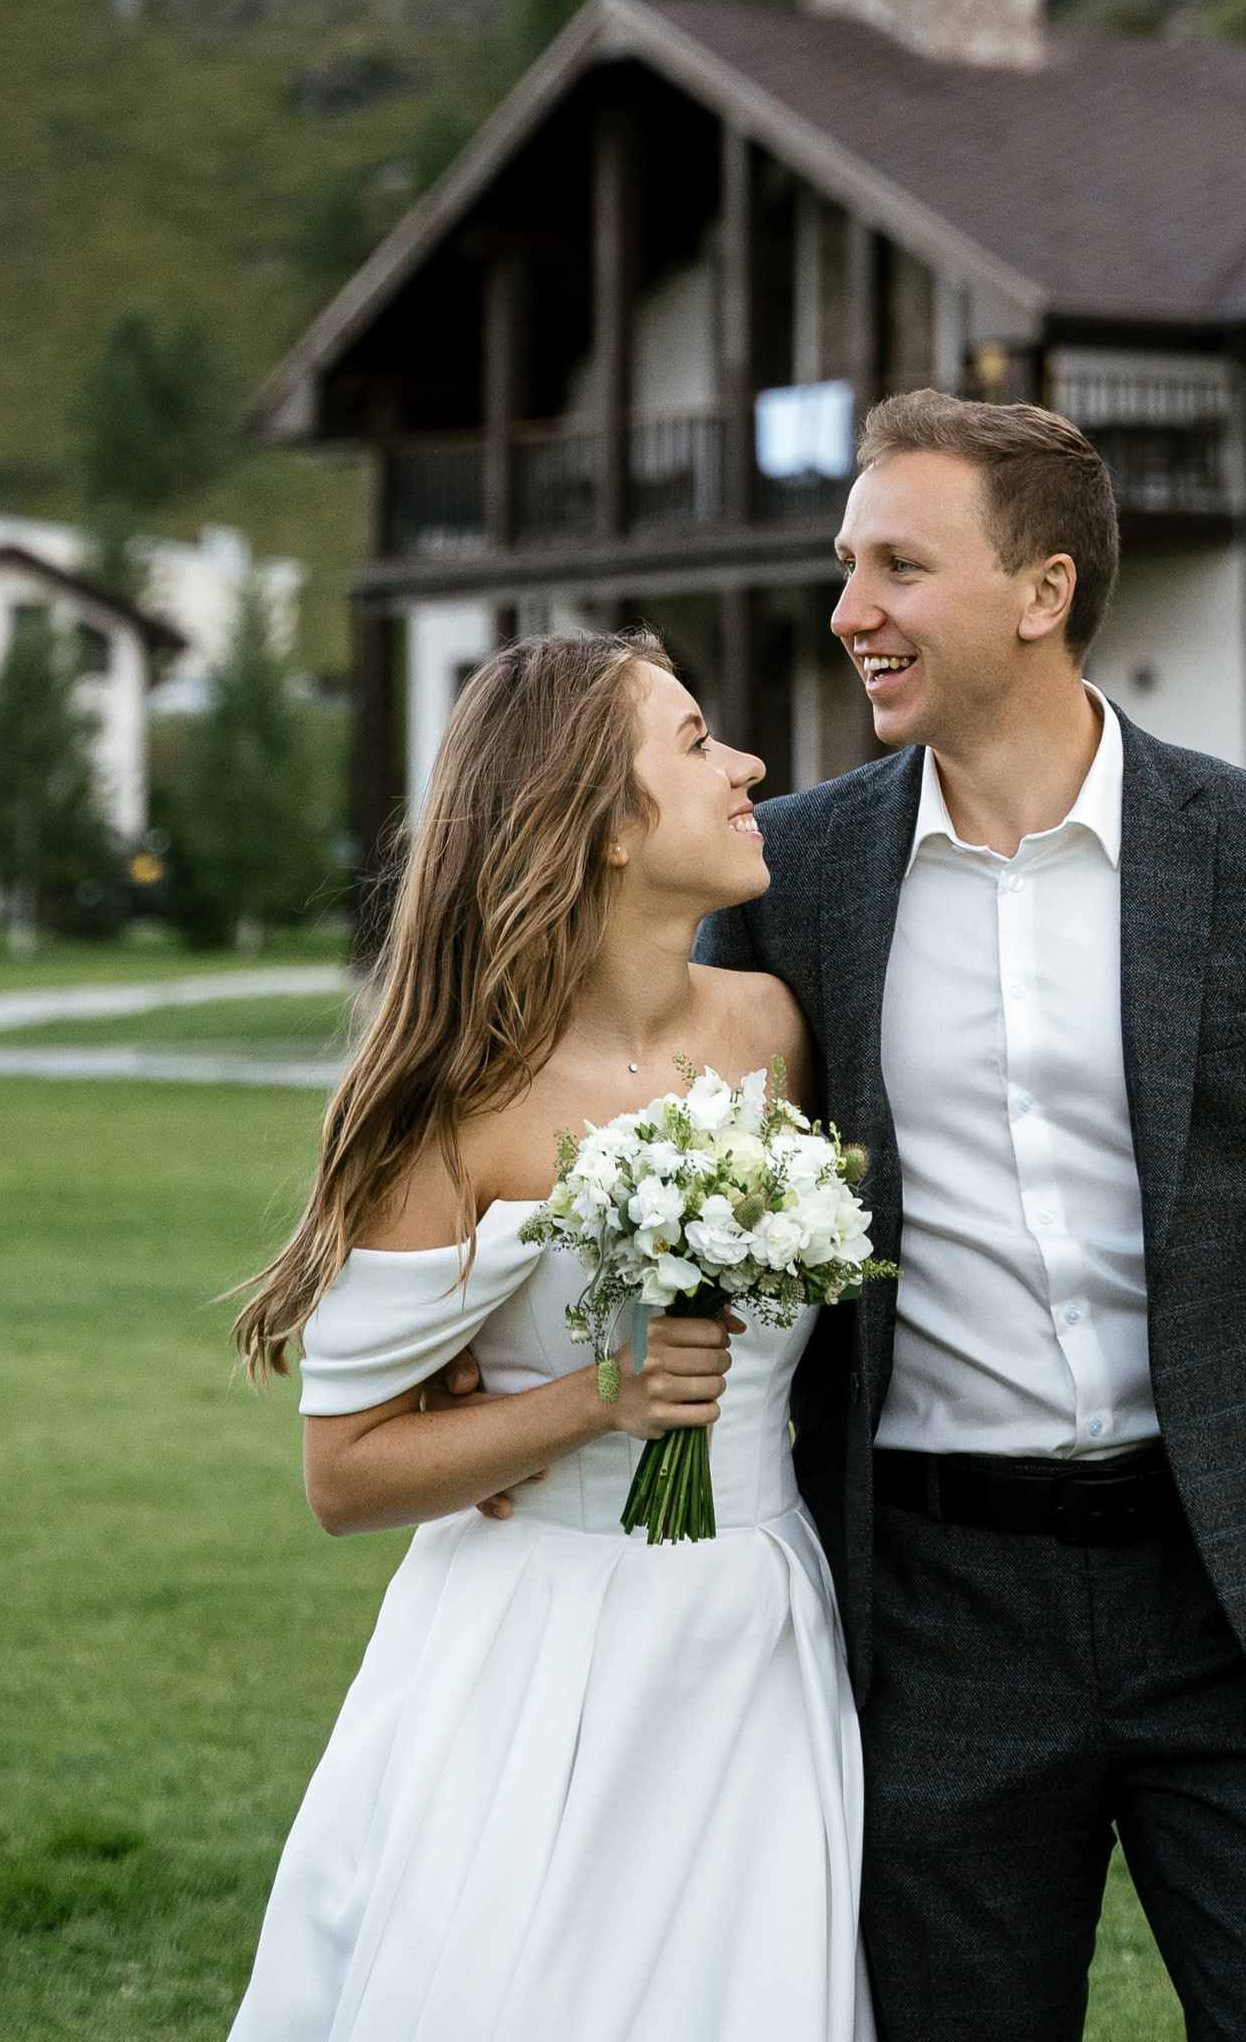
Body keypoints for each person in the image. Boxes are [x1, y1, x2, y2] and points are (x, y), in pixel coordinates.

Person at [699, 387, 1246, 2042]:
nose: (850, 612)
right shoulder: (791, 883)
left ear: (1043, 588)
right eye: (845, 567)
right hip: (934, 1622)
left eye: (897, 568)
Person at [228, 628, 871, 2042]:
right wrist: (598, 1399)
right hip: (546, 1649)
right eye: (698, 742)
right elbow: (344, 1474)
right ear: (604, 824)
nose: (748, 764)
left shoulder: (776, 1027)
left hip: (761, 1622)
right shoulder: (463, 1101)